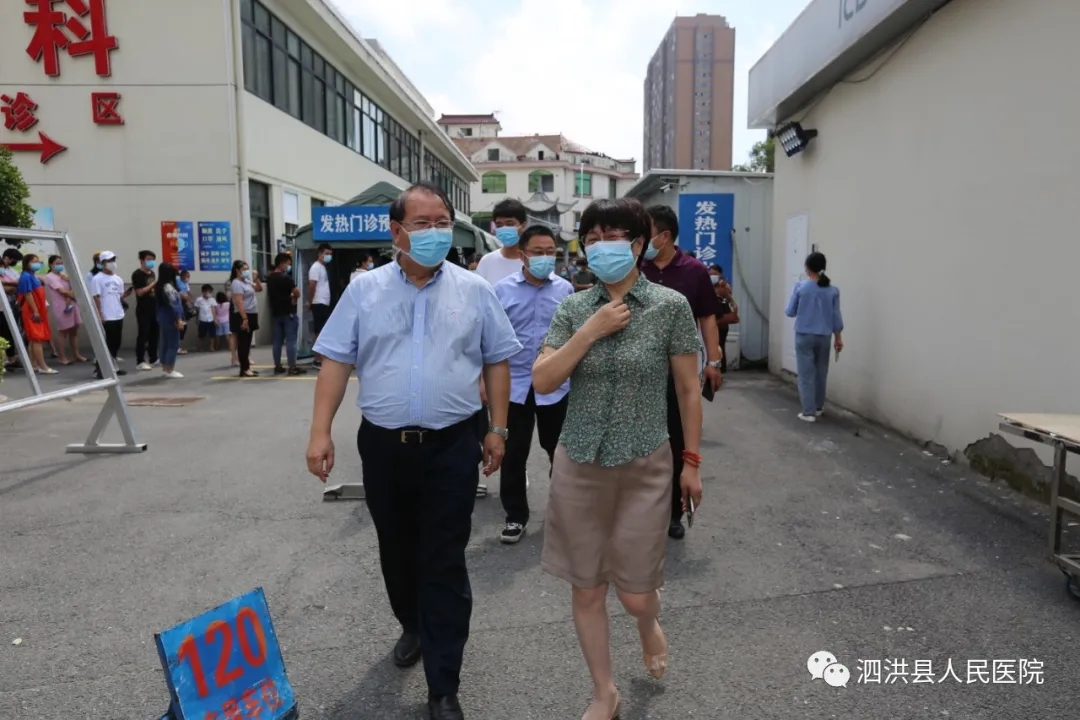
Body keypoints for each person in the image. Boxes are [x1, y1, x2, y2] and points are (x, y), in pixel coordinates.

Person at [305, 182, 521, 720]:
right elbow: (336, 361)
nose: (434, 232)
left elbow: (497, 360)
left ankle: (443, 683)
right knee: (397, 549)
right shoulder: (364, 289)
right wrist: (319, 432)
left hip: (452, 443)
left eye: (442, 222)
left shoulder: (475, 290)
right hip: (384, 446)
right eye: (422, 223)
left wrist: (498, 428)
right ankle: (412, 623)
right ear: (396, 231)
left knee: (444, 557)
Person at [532, 197, 704, 720]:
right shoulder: (573, 308)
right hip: (579, 462)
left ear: (638, 243)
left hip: (645, 463)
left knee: (635, 594)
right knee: (587, 587)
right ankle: (604, 692)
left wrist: (691, 462)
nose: (601, 246)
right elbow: (543, 380)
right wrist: (590, 331)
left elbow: (688, 390)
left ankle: (648, 621)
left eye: (613, 236)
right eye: (592, 238)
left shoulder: (670, 306)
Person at [640, 205, 722, 539]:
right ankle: (642, 508)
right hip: (641, 369)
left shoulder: (694, 271)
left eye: (645, 233)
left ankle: (674, 512)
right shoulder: (635, 267)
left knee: (677, 440)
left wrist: (713, 362)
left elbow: (707, 317)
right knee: (641, 441)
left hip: (680, 370)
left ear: (664, 236)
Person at [492, 225, 574, 544]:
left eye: (550, 252)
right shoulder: (502, 290)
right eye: (538, 252)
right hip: (514, 386)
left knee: (561, 453)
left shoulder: (565, 290)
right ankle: (515, 516)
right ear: (522, 254)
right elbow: (492, 339)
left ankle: (562, 513)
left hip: (556, 385)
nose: (544, 257)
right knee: (513, 453)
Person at [785, 251, 844, 422]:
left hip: (804, 335)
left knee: (806, 374)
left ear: (807, 267)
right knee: (821, 372)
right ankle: (818, 407)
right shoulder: (833, 291)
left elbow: (790, 312)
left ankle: (808, 412)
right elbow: (836, 316)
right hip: (824, 336)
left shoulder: (801, 287)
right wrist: (838, 337)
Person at [90, 251, 130, 379]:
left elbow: (119, 295)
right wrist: (99, 314)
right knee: (107, 343)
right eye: (109, 261)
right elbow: (96, 297)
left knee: (116, 343)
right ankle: (100, 370)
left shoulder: (118, 279)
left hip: (118, 314)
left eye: (113, 260)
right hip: (107, 315)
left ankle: (113, 367)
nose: (112, 263)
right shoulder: (97, 279)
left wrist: (126, 295)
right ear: (102, 263)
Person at [43, 255, 87, 365]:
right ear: (51, 264)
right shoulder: (50, 277)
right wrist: (73, 293)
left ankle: (76, 355)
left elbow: (74, 287)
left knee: (74, 331)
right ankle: (62, 357)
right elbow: (62, 291)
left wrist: (71, 288)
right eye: (57, 263)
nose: (60, 265)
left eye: (61, 263)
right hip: (62, 307)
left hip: (73, 304)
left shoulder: (64, 276)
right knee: (63, 331)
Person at [267, 252, 306, 376]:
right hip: (289, 312)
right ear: (282, 263)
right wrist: (293, 297)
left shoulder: (270, 278)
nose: (289, 266)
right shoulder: (286, 278)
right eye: (288, 264)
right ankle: (292, 367)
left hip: (276, 313)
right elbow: (297, 292)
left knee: (277, 341)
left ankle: (277, 366)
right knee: (291, 341)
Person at [16, 254, 55, 374]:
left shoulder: (31, 276)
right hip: (31, 311)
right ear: (27, 263)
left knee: (33, 339)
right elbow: (28, 294)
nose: (37, 263)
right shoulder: (26, 276)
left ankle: (34, 365)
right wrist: (36, 311)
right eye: (34, 261)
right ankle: (43, 366)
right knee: (37, 338)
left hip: (36, 310)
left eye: (38, 261)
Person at [475, 198, 527, 286]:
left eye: (509, 224)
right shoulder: (487, 262)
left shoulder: (533, 262)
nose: (504, 228)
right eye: (499, 225)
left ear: (523, 226)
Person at [229, 260, 262, 377]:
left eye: (247, 269)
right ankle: (244, 369)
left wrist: (256, 278)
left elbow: (259, 289)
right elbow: (239, 302)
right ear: (237, 270)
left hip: (252, 313)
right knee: (243, 343)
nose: (246, 271)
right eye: (244, 269)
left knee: (247, 342)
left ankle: (247, 366)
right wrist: (244, 318)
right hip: (243, 314)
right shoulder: (236, 283)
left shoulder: (246, 281)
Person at [154, 262, 186, 379]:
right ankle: (170, 369)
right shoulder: (168, 287)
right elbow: (174, 304)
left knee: (165, 342)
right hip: (171, 317)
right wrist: (178, 319)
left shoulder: (159, 285)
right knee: (173, 344)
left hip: (163, 316)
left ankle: (165, 367)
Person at [707, 265, 739, 371]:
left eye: (715, 274)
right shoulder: (706, 285)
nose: (712, 276)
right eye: (710, 274)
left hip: (722, 321)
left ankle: (721, 367)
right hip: (711, 319)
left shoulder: (724, 286)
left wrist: (724, 293)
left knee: (720, 344)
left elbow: (730, 301)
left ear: (720, 275)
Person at [131, 250, 159, 370]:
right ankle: (140, 361)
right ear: (142, 261)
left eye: (152, 259)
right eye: (148, 259)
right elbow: (140, 292)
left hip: (154, 308)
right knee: (143, 335)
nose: (151, 262)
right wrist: (153, 284)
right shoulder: (137, 274)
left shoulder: (152, 274)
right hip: (143, 310)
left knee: (155, 335)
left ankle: (153, 358)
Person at [307, 243, 333, 369]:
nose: (329, 256)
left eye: (330, 254)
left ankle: (320, 356)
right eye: (326, 253)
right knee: (319, 331)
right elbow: (312, 285)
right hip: (318, 302)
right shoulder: (315, 267)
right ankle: (318, 358)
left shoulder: (322, 267)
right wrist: (310, 301)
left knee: (322, 330)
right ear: (319, 254)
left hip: (323, 302)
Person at [1, 248, 24, 370]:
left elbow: (18, 284)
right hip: (1, 308)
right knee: (3, 333)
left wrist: (6, 284)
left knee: (11, 332)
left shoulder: (12, 271)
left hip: (12, 306)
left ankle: (12, 358)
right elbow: (7, 289)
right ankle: (5, 359)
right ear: (6, 258)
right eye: (14, 260)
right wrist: (10, 285)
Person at [194, 284, 218, 352]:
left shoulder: (212, 300)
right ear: (203, 292)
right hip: (202, 319)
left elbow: (214, 310)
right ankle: (201, 347)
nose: (209, 293)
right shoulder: (199, 299)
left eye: (210, 292)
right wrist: (197, 319)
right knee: (201, 334)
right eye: (208, 292)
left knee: (212, 334)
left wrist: (215, 319)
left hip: (211, 319)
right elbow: (197, 310)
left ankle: (211, 347)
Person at [176, 269, 193, 354]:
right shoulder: (177, 281)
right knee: (180, 327)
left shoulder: (186, 284)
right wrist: (183, 296)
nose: (188, 278)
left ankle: (178, 346)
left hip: (184, 305)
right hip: (178, 304)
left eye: (189, 277)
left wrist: (191, 300)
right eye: (187, 276)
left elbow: (189, 293)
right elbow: (178, 292)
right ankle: (176, 347)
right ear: (182, 276)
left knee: (184, 326)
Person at [215, 291, 234, 361]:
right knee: (227, 334)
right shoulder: (228, 304)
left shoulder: (216, 305)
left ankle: (217, 347)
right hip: (226, 320)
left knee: (218, 335)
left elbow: (215, 313)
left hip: (219, 320)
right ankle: (229, 347)